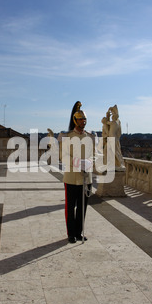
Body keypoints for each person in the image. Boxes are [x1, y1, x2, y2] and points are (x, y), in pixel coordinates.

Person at [58, 101, 94, 243]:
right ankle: (71, 233)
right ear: (75, 120)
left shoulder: (90, 137)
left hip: (86, 177)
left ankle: (79, 232)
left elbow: (95, 154)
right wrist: (79, 163)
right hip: (72, 177)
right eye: (80, 119)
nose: (83, 122)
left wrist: (90, 161)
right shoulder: (67, 136)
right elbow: (63, 156)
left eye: (84, 119)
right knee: (70, 207)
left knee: (82, 207)